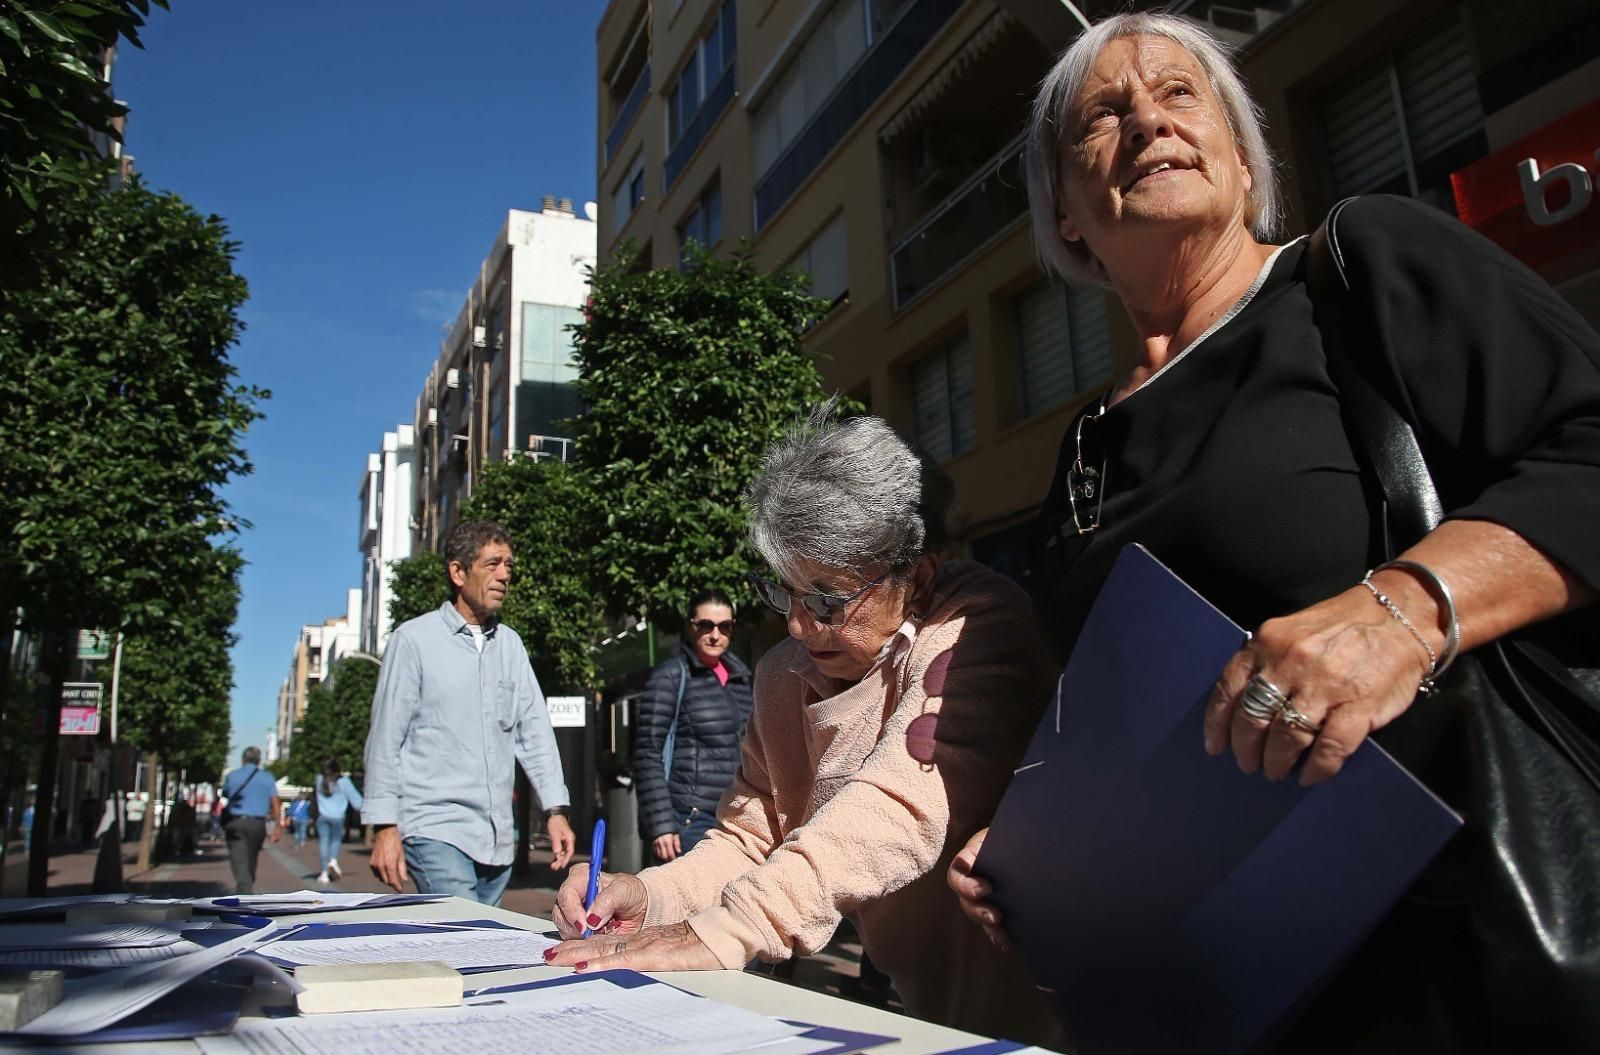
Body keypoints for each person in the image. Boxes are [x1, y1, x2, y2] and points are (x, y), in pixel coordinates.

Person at [944, 12, 1600, 1051]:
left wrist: (1405, 610)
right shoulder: (1083, 453)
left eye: (1177, 93)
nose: (1147, 120)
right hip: (1233, 999)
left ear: (1244, 161)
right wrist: (1044, 847)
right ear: (1066, 213)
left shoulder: (1360, 268)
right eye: (1102, 115)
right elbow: (1130, 712)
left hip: (1471, 959)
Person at [545, 407, 1065, 1048]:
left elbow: (899, 807)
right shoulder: (781, 675)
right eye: (783, 591)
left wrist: (731, 929)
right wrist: (649, 897)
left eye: (826, 600)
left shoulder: (980, 624)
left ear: (917, 577)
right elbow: (750, 834)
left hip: (1053, 1002)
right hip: (928, 1002)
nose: (797, 625)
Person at [363, 519, 576, 906]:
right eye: (492, 564)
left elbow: (535, 734)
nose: (504, 575)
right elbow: (385, 739)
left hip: (496, 839)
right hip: (435, 828)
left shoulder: (510, 646)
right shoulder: (414, 640)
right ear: (458, 572)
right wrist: (385, 826)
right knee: (463, 933)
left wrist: (555, 809)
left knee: (474, 952)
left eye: (509, 566)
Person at [631, 589, 754, 864]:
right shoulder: (671, 677)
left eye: (725, 627)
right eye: (705, 625)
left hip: (734, 820)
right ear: (690, 626)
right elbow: (647, 753)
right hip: (688, 820)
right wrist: (661, 824)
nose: (715, 634)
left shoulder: (742, 679)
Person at [219, 746, 281, 894]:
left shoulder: (232, 776)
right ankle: (246, 886)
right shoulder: (267, 777)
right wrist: (278, 827)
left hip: (236, 822)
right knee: (252, 856)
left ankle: (244, 889)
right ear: (259, 761)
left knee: (239, 857)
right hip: (258, 824)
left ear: (243, 759)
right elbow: (275, 802)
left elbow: (225, 793)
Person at [313, 759, 363, 884]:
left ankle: (324, 873)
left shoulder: (319, 780)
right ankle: (333, 860)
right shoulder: (343, 782)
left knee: (324, 842)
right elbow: (356, 801)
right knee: (335, 840)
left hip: (322, 817)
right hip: (337, 817)